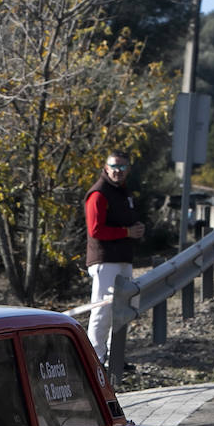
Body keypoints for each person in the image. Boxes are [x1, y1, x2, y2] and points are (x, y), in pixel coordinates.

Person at [84, 151, 146, 365]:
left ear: (128, 169)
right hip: (104, 260)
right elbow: (95, 229)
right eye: (114, 166)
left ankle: (114, 358)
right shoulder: (99, 194)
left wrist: (135, 229)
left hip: (123, 258)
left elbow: (124, 222)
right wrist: (127, 232)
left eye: (122, 167)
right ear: (106, 167)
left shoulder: (123, 192)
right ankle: (96, 360)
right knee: (101, 311)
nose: (118, 171)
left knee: (122, 310)